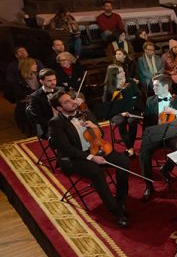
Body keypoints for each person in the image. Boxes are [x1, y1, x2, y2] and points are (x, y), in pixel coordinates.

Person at [48, 90, 130, 228]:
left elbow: (100, 134)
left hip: (96, 147)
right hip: (75, 157)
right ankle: (116, 212)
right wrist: (91, 158)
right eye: (67, 102)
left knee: (124, 161)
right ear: (59, 108)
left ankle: (120, 199)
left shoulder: (86, 113)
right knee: (96, 172)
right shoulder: (55, 124)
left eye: (71, 98)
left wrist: (95, 127)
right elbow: (67, 149)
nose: (73, 102)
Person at [139, 74, 177, 200]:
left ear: (166, 86)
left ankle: (166, 168)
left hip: (173, 134)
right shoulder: (150, 101)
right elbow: (147, 122)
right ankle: (148, 186)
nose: (153, 88)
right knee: (143, 151)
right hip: (156, 134)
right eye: (153, 85)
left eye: (156, 86)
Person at [102, 64, 141, 156]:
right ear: (113, 75)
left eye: (123, 70)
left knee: (132, 120)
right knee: (121, 121)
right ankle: (130, 148)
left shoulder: (130, 82)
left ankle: (129, 147)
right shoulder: (108, 87)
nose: (123, 73)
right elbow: (106, 104)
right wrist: (120, 112)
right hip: (117, 112)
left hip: (132, 109)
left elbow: (137, 95)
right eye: (120, 72)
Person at [27, 68, 65, 137]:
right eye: (49, 81)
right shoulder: (34, 97)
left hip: (64, 122)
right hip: (48, 126)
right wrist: (53, 124)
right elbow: (37, 117)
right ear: (41, 81)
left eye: (54, 79)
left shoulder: (61, 90)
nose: (53, 82)